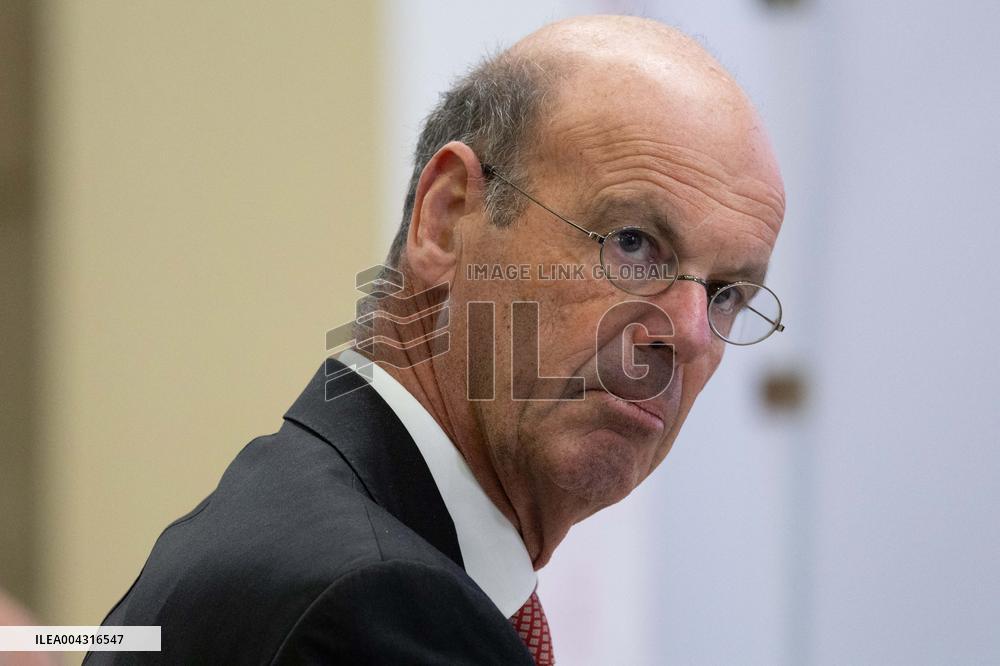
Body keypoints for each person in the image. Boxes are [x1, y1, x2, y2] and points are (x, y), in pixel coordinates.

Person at [87, 14, 785, 664]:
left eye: (726, 294)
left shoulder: (303, 528)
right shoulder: (374, 606)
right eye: (633, 243)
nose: (689, 333)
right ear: (447, 219)